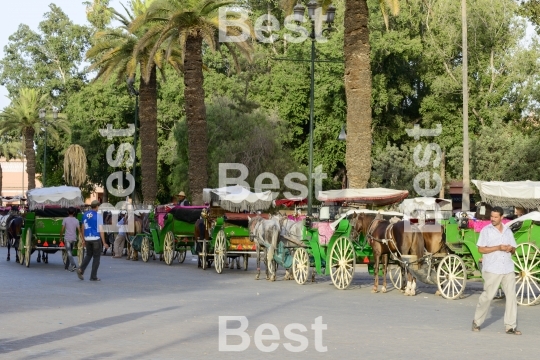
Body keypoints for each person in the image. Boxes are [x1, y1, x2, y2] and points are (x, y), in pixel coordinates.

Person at [472, 206, 521, 335]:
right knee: (488, 296)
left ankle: (510, 326)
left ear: (501, 217)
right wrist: (498, 247)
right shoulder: (486, 231)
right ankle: (477, 321)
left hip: (508, 268)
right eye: (491, 217)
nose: (492, 219)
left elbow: (514, 250)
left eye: (495, 217)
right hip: (492, 268)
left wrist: (510, 249)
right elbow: (481, 249)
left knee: (511, 297)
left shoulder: (507, 231)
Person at [77, 200, 109, 281]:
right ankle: (93, 276)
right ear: (97, 206)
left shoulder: (84, 215)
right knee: (96, 257)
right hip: (96, 238)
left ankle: (81, 269)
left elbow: (82, 228)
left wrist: (83, 239)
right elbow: (101, 230)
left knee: (88, 255)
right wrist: (104, 242)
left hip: (87, 238)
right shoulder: (98, 216)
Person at [60, 207, 80, 272]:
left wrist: (60, 237)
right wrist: (82, 239)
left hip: (67, 238)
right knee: (70, 252)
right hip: (74, 238)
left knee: (68, 252)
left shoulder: (65, 220)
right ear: (74, 213)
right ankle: (66, 266)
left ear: (67, 212)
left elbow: (62, 229)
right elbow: (79, 230)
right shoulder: (76, 220)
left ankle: (73, 265)